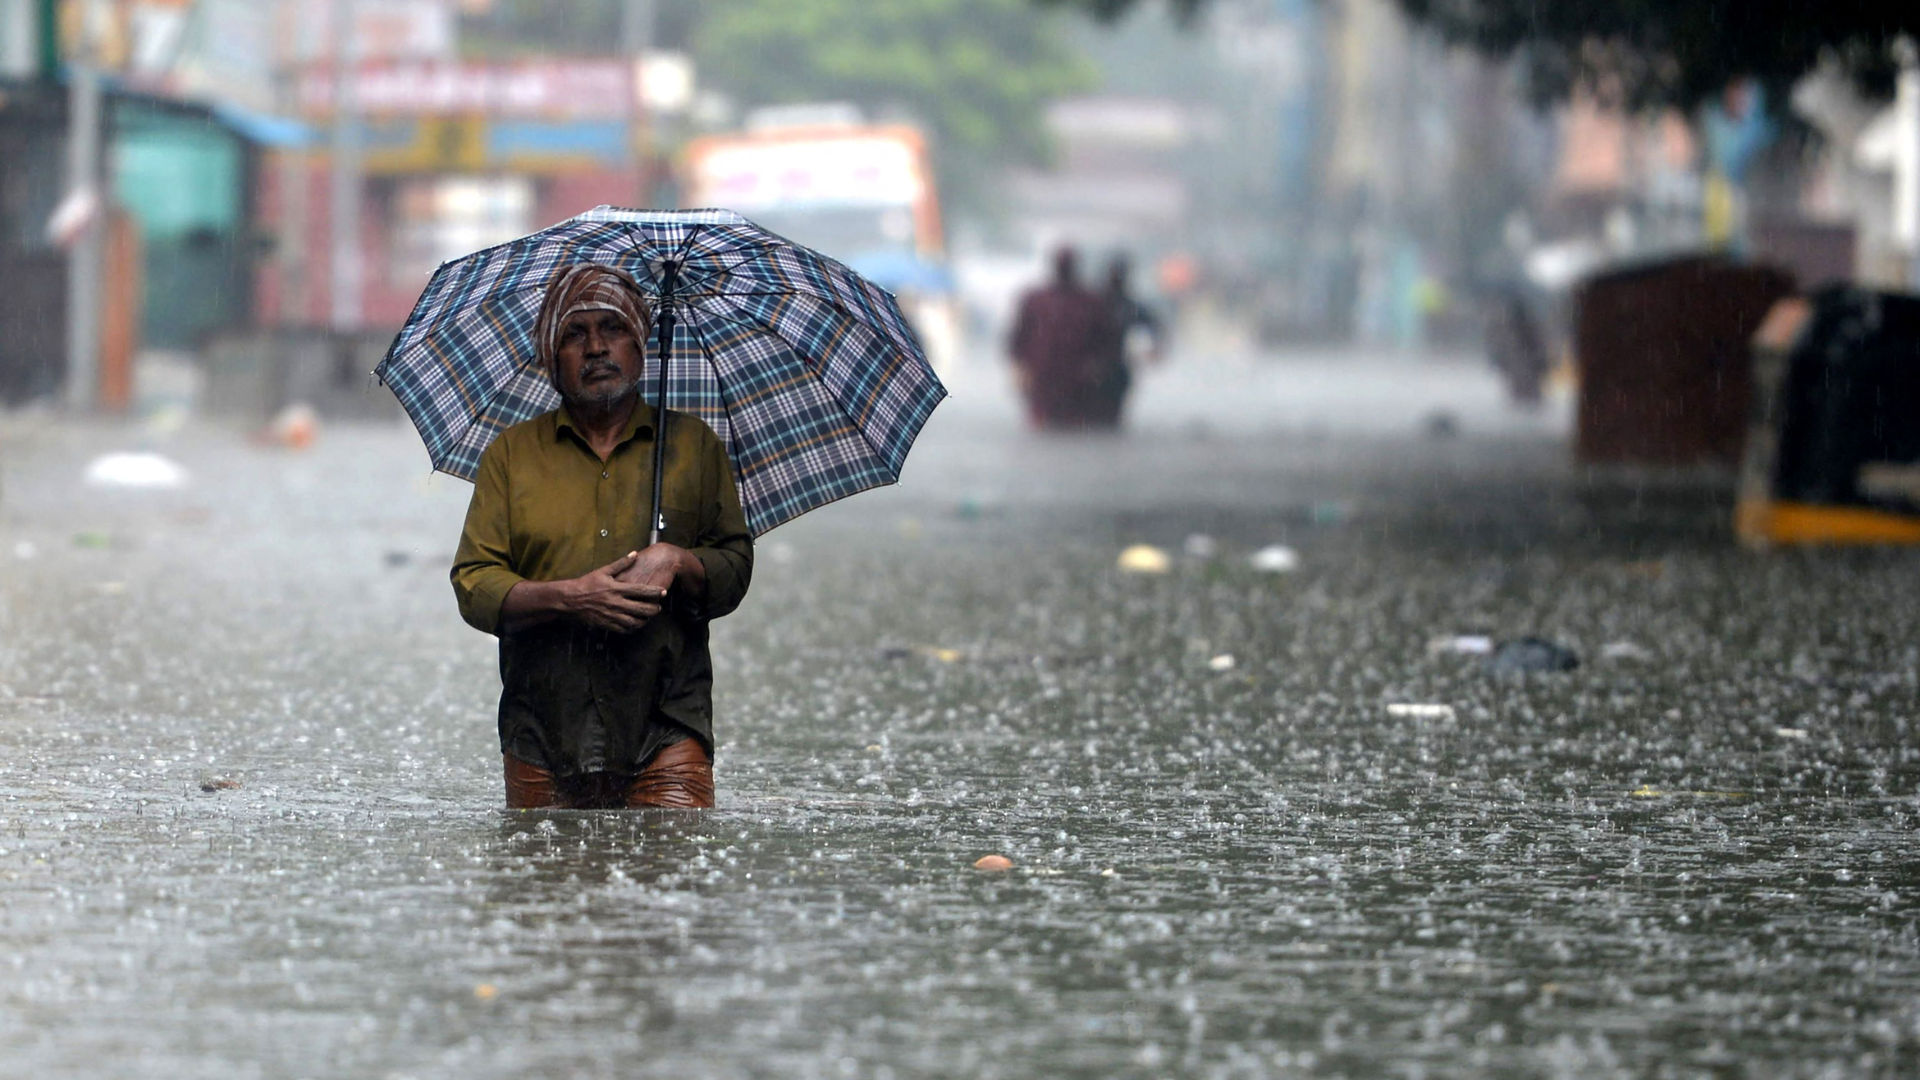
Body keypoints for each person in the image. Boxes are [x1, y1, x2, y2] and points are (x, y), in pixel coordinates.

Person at [450, 263, 753, 809]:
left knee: (672, 883)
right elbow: (474, 584)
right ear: (551, 358)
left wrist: (678, 560)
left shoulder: (692, 447)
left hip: (666, 727)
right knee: (543, 886)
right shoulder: (512, 455)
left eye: (612, 329)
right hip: (542, 730)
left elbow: (734, 569)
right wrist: (570, 598)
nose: (595, 348)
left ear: (640, 346)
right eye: (574, 334)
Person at [1008, 245, 1117, 430]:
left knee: (1072, 425)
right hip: (1045, 378)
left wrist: (1097, 367)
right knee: (1048, 425)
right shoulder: (1037, 300)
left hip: (1077, 380)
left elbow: (1106, 340)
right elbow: (1018, 337)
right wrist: (1020, 369)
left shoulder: (1090, 301)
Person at [1091, 253, 1164, 427]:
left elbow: (1154, 327)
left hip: (1114, 369)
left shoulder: (1127, 306)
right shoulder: (1094, 304)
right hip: (1097, 368)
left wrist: (1153, 350)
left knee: (1108, 418)